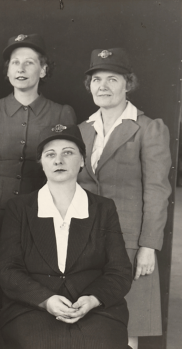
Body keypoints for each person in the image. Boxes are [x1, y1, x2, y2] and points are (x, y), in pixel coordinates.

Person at [0, 124, 132, 348]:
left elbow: (120, 271)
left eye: (67, 152)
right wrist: (45, 300)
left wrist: (92, 300)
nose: (58, 160)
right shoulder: (19, 208)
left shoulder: (103, 208)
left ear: (81, 161)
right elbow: (7, 269)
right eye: (50, 154)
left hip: (93, 308)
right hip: (32, 306)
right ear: (42, 163)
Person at [0, 34, 76, 308]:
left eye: (29, 63)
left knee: (32, 279)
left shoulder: (61, 113)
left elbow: (66, 169)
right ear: (7, 71)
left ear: (43, 70)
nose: (20, 68)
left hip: (39, 208)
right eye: (15, 62)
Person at [78, 48, 172, 349]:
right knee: (89, 324)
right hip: (86, 242)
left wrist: (148, 246)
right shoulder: (82, 130)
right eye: (96, 79)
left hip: (130, 245)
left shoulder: (149, 128)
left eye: (112, 79)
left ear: (128, 84)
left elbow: (157, 190)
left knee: (127, 330)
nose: (102, 86)